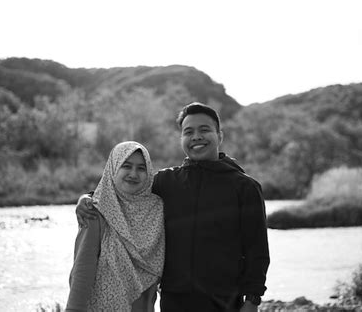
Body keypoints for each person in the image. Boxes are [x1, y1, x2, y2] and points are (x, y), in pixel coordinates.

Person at [76, 102, 269, 312]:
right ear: (182, 139)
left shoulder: (245, 187)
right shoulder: (166, 182)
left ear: (219, 136)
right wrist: (87, 198)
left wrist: (252, 301)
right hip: (174, 300)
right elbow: (123, 190)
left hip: (225, 301)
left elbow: (257, 250)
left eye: (204, 130)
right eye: (188, 132)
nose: (196, 137)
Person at [66, 141, 165, 312]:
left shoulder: (157, 209)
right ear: (113, 168)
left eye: (141, 168)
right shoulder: (95, 211)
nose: (133, 174)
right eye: (126, 166)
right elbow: (82, 272)